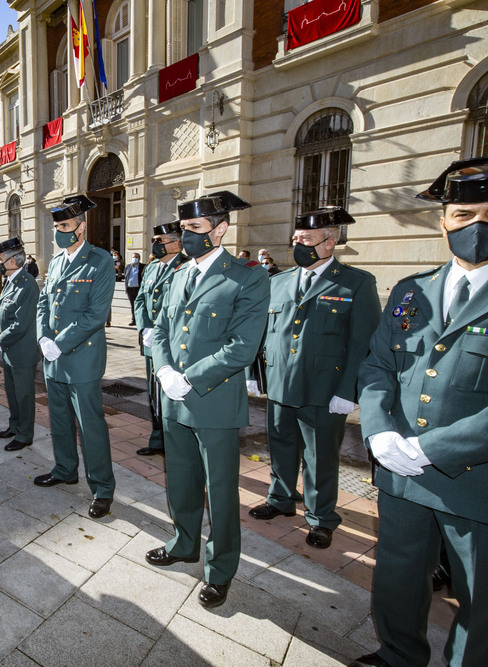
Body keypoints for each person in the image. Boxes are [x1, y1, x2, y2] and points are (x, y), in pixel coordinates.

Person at [352, 159, 488, 667]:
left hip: (472, 478)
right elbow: (377, 367)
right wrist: (379, 432)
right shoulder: (413, 290)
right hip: (401, 471)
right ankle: (398, 655)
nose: (476, 226)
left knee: (477, 596)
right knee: (398, 574)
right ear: (445, 221)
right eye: (465, 214)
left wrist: (430, 449)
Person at [145, 191, 269, 609]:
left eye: (195, 229)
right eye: (184, 229)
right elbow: (159, 328)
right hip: (173, 397)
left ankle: (220, 570)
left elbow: (242, 346)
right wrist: (163, 369)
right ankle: (183, 543)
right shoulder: (178, 273)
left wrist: (190, 379)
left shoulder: (247, 275)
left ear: (220, 229)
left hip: (213, 399)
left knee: (219, 491)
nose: (187, 236)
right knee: (179, 479)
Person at [248, 207, 380, 550]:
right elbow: (262, 334)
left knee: (320, 456)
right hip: (281, 383)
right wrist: (255, 374)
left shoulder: (356, 283)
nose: (298, 245)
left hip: (325, 390)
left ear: (329, 243)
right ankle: (280, 499)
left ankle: (321, 518)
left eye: (305, 240)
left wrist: (349, 390)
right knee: (280, 445)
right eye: (296, 239)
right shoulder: (278, 281)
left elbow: (363, 341)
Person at [35, 195, 117, 519]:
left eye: (65, 226)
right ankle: (65, 468)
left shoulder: (100, 261)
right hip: (53, 358)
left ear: (81, 227)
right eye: (56, 227)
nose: (59, 232)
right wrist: (43, 336)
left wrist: (61, 342)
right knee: (59, 420)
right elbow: (44, 303)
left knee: (90, 425)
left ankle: (102, 488)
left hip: (81, 359)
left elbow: (96, 314)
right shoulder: (56, 262)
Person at [133, 221, 188, 456]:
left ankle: (175, 442)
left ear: (176, 243)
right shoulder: (152, 267)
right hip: (150, 343)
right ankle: (158, 439)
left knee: (172, 393)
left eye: (160, 241)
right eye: (154, 241)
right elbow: (140, 300)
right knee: (154, 392)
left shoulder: (186, 267)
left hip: (173, 345)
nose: (155, 245)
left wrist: (161, 331)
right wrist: (145, 328)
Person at [0, 237, 39, 451]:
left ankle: (25, 434)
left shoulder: (27, 285)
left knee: (24, 395)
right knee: (12, 393)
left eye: (1, 259)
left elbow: (20, 323)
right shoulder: (10, 281)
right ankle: (15, 425)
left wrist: (0, 340)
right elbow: (1, 313)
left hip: (21, 350)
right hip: (10, 349)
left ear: (12, 261)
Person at [124, 252, 145, 326]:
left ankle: (140, 320)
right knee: (133, 305)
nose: (134, 258)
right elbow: (126, 277)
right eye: (133, 257)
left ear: (139, 259)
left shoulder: (143, 267)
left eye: (136, 257)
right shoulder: (128, 267)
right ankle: (134, 320)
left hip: (138, 289)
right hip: (130, 289)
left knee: (140, 305)